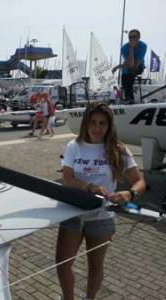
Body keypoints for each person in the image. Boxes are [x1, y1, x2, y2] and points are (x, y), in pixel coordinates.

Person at [56, 102, 146, 300]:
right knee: (63, 264)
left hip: (102, 217)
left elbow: (140, 182)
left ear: (109, 125)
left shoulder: (119, 150)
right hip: (72, 213)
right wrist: (90, 187)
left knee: (95, 266)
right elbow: (67, 179)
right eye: (93, 123)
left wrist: (129, 194)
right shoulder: (74, 146)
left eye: (102, 123)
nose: (97, 129)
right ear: (85, 123)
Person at [112, 29, 147, 103]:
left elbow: (135, 65)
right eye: (130, 37)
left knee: (131, 73)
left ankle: (130, 99)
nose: (132, 39)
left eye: (134, 36)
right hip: (128, 65)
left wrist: (119, 66)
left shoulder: (143, 46)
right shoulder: (124, 48)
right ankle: (126, 97)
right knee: (125, 75)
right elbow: (130, 64)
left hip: (139, 65)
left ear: (139, 37)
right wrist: (131, 48)